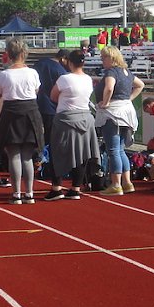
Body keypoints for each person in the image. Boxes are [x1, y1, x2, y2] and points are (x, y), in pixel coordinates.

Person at [0, 38, 44, 205]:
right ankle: (29, 193)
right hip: (30, 112)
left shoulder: (4, 74)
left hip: (11, 113)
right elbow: (36, 90)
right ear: (24, 54)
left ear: (9, 54)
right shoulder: (33, 73)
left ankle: (16, 194)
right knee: (27, 156)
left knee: (14, 154)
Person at [43, 50, 100, 201]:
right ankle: (75, 188)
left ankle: (57, 188)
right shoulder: (88, 79)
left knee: (57, 152)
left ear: (69, 62)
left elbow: (53, 96)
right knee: (81, 154)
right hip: (85, 118)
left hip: (65, 119)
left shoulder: (64, 78)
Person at [94, 46, 144, 196]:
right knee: (120, 149)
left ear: (112, 58)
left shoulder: (111, 72)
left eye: (104, 58)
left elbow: (109, 88)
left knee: (113, 150)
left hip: (113, 114)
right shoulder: (127, 72)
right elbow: (140, 85)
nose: (102, 61)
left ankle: (116, 184)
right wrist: (128, 99)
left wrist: (105, 102)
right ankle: (127, 183)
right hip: (126, 113)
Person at [32, 49, 69, 156]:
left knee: (37, 137)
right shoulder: (61, 72)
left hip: (37, 105)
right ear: (63, 59)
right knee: (51, 139)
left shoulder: (39, 63)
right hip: (52, 108)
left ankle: (38, 158)